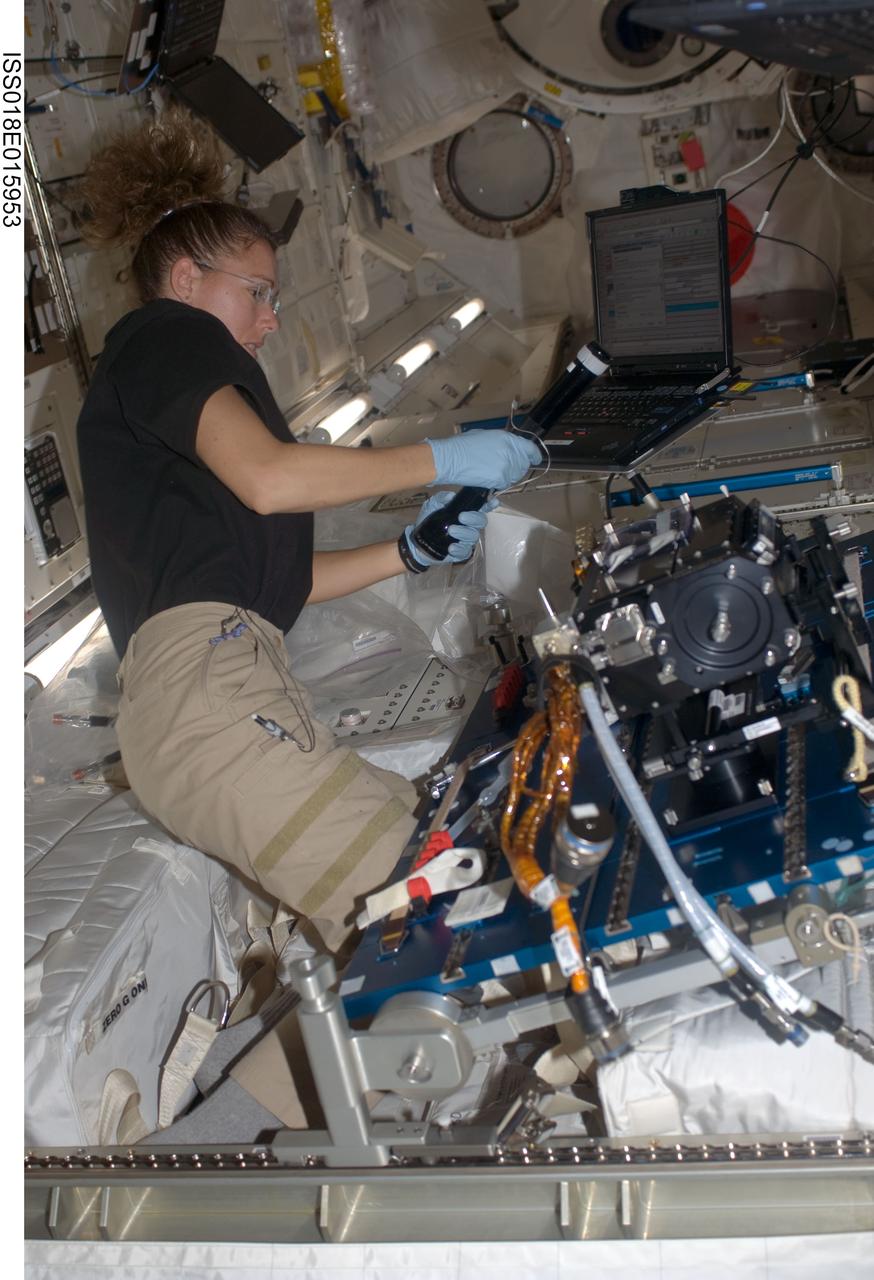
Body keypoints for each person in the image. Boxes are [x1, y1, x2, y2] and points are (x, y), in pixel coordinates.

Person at [76, 109, 542, 956]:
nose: (271, 319)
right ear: (185, 280)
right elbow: (274, 478)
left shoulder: (172, 394)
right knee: (441, 925)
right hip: (211, 704)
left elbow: (277, 581)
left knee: (443, 859)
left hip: (220, 694)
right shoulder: (164, 337)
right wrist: (444, 456)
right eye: (257, 293)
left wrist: (405, 552)